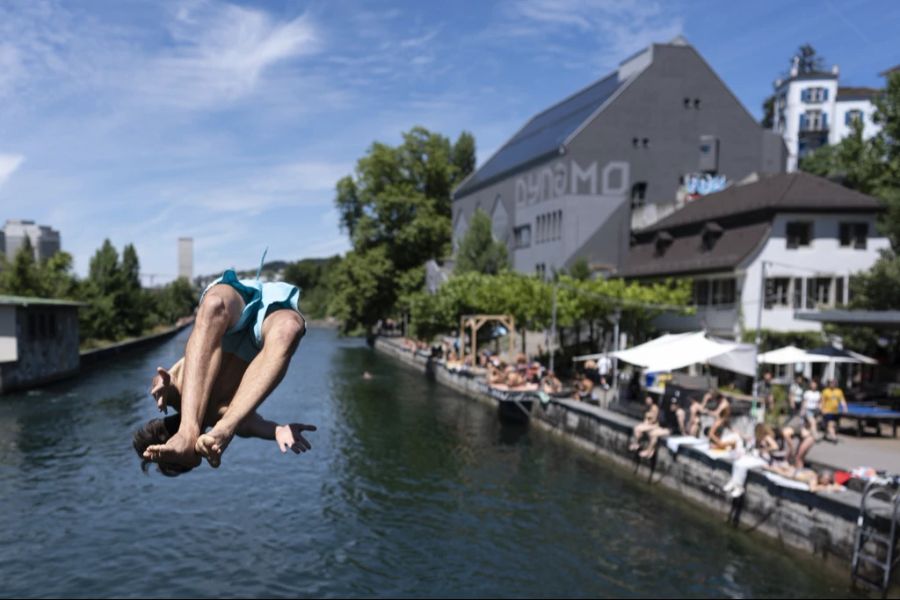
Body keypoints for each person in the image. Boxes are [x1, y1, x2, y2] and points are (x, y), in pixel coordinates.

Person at [142, 263, 307, 469]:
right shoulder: (222, 414)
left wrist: (161, 383)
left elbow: (164, 382)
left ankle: (187, 433)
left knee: (214, 304)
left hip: (230, 320)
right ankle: (223, 431)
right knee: (289, 329)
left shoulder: (178, 398)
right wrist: (280, 431)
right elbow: (261, 427)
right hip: (260, 338)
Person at [135, 358, 316, 476]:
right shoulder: (185, 399)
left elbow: (167, 383)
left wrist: (278, 430)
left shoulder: (221, 415)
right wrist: (278, 431)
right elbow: (166, 383)